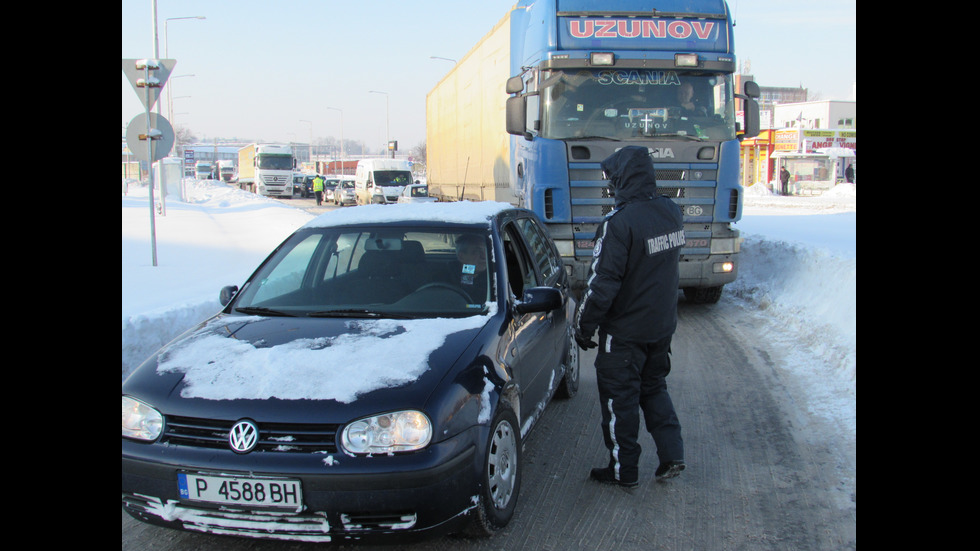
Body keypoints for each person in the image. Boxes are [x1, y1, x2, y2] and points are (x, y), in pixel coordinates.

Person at [573, 145, 686, 490]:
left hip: (623, 334)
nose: (609, 186)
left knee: (619, 401)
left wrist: (583, 326)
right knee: (654, 389)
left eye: (611, 179)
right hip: (660, 327)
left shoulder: (618, 224)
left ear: (623, 179)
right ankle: (672, 454)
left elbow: (602, 284)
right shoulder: (671, 211)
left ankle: (624, 471)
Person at [452, 233, 489, 304]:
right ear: (461, 256)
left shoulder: (494, 277)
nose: (484, 257)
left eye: (485, 251)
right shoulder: (446, 276)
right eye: (477, 251)